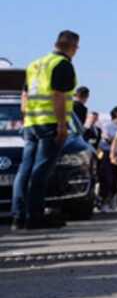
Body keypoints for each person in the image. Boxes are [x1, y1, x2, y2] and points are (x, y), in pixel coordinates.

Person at [12, 30, 80, 231]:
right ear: (72, 47)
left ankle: (19, 216)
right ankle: (35, 216)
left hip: (32, 123)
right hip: (50, 124)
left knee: (25, 170)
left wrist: (27, 119)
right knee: (41, 171)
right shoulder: (62, 65)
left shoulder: (36, 64)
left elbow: (24, 96)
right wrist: (61, 125)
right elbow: (58, 96)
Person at [98, 106, 117, 212]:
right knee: (107, 178)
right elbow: (108, 138)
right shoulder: (108, 125)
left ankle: (113, 200)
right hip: (107, 154)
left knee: (116, 179)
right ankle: (104, 202)